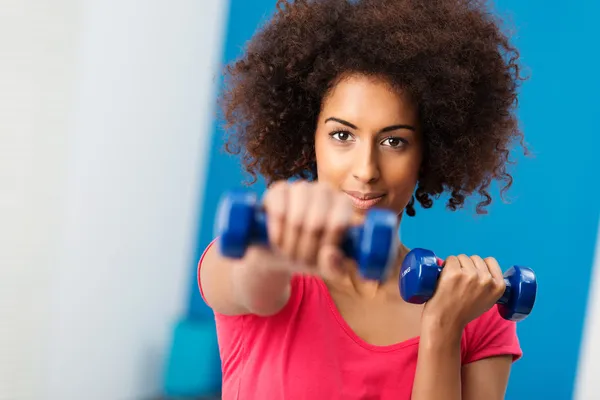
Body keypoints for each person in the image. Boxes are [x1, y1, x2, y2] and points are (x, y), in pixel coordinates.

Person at [199, 0, 528, 398]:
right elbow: (250, 282)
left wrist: (442, 326)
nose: (366, 168)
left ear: (429, 154)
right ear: (310, 140)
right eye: (342, 135)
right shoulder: (252, 256)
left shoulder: (477, 311)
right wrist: (276, 251)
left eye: (394, 141)